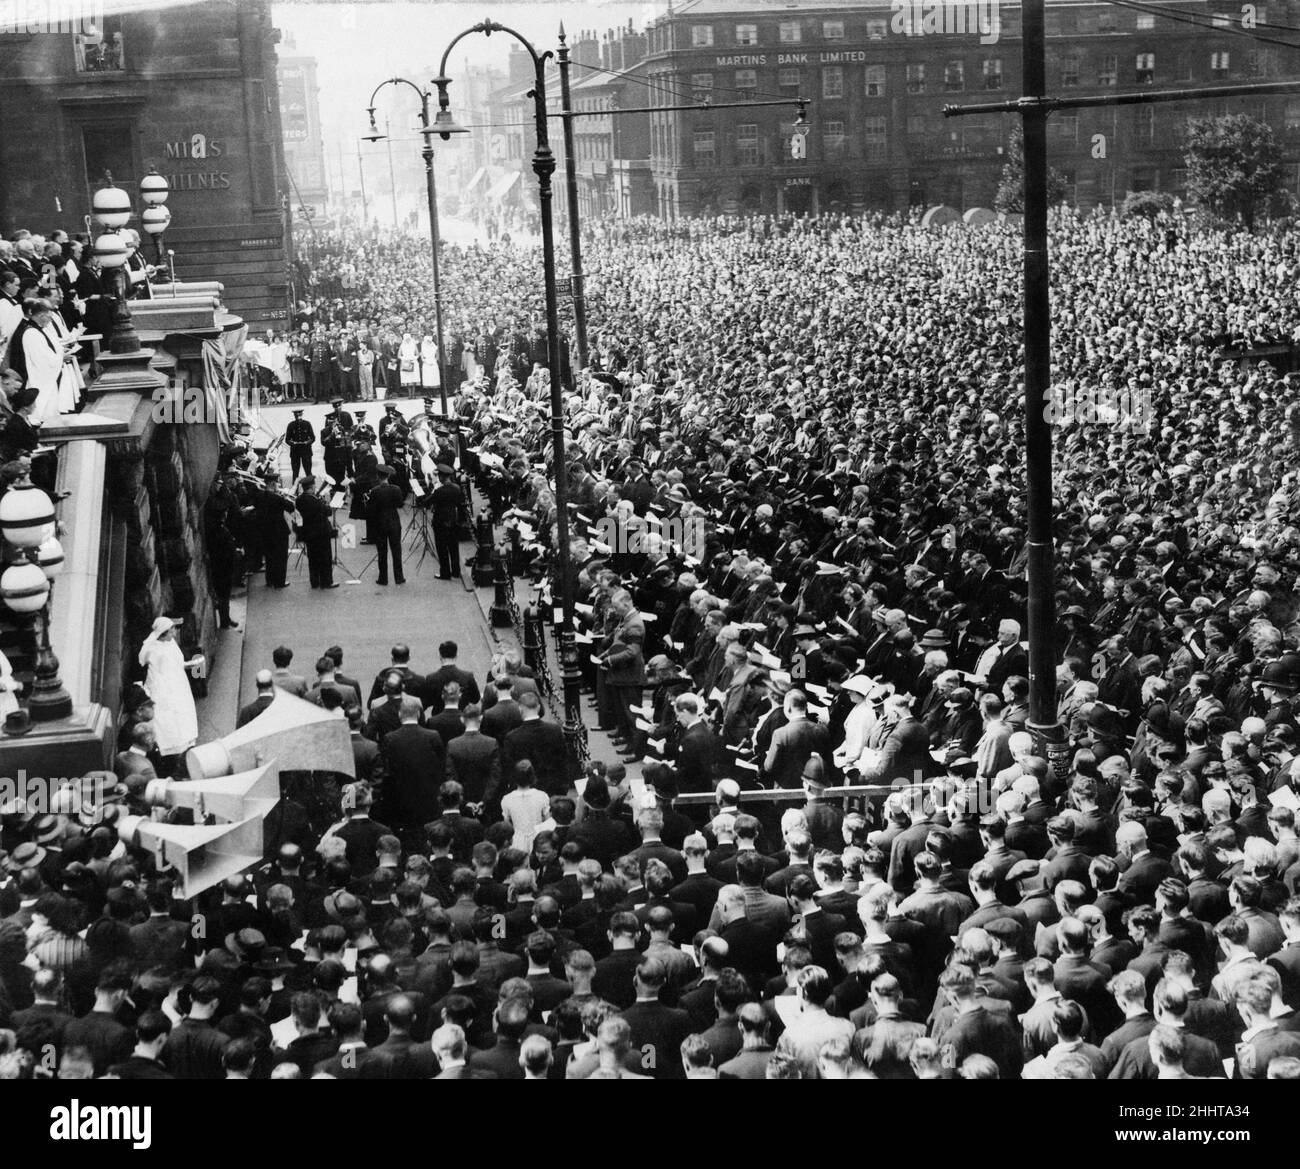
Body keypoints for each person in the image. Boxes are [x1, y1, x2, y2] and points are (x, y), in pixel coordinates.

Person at [137, 616, 198, 773]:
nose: (174, 634)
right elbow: (148, 666)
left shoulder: (171, 644)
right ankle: (169, 754)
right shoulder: (152, 648)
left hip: (178, 684)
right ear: (163, 633)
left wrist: (189, 665)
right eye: (171, 631)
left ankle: (184, 748)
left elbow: (176, 663)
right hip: (162, 686)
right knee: (167, 718)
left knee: (182, 715)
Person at [295, 476, 338, 590]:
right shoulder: (314, 501)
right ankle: (326, 582)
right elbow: (328, 512)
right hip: (321, 532)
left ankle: (314, 582)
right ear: (312, 487)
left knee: (313, 558)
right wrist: (324, 503)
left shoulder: (299, 499)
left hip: (308, 533)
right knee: (325, 558)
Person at [367, 463, 405, 586]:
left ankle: (383, 578)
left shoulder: (374, 491)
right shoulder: (396, 489)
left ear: (378, 476)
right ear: (388, 475)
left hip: (380, 524)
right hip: (394, 522)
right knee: (396, 550)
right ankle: (399, 577)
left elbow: (371, 510)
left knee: (382, 552)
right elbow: (400, 504)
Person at [429, 463, 464, 580]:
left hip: (440, 521)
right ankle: (456, 571)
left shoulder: (439, 491)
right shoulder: (457, 488)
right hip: (453, 519)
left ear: (442, 477)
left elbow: (428, 502)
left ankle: (445, 572)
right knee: (454, 547)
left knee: (442, 548)